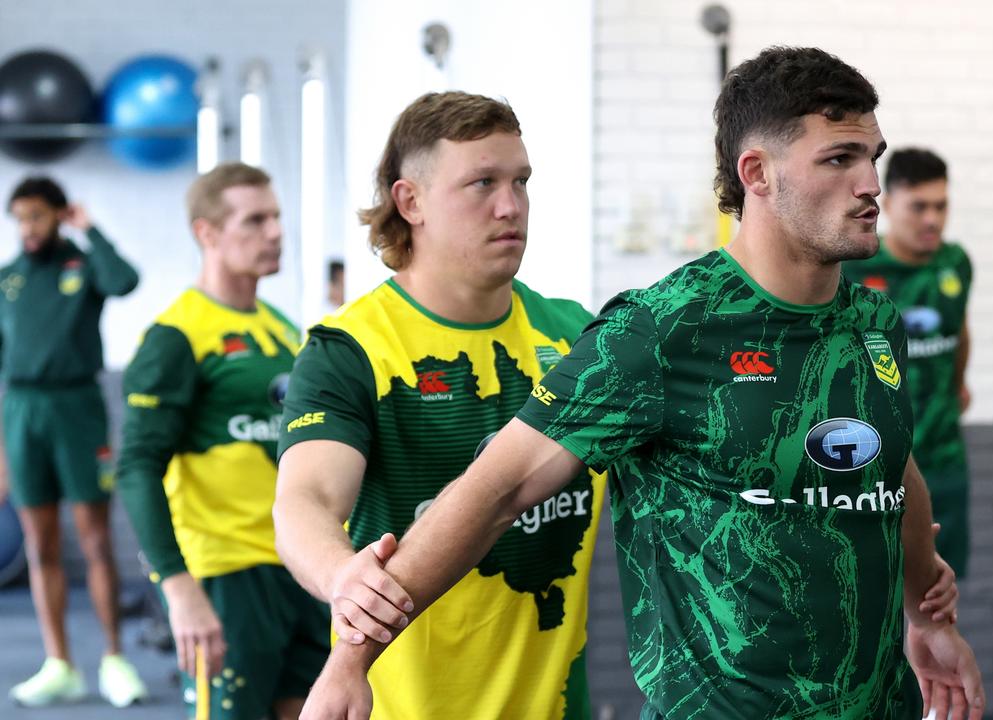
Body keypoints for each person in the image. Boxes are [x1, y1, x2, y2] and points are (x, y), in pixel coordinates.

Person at [298, 47, 983, 720]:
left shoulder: (872, 320)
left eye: (872, 156)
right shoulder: (662, 330)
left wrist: (927, 614)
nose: (869, 184)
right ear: (758, 174)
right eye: (839, 158)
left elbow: (887, 465)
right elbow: (497, 489)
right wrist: (352, 658)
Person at [273, 91, 608, 719]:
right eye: (482, 182)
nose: (511, 206)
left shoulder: (576, 337)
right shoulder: (351, 349)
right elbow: (304, 500)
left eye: (521, 181)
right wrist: (341, 578)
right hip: (401, 704)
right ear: (411, 201)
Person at [115, 163, 328, 720]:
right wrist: (177, 587)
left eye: (277, 217)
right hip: (227, 574)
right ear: (207, 233)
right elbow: (136, 466)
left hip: (298, 563)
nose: (275, 232)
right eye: (255, 220)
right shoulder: (176, 336)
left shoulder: (282, 328)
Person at [1, 177, 148, 708]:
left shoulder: (83, 266)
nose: (27, 228)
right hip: (21, 412)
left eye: (37, 216)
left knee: (95, 540)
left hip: (77, 409)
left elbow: (125, 280)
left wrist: (90, 230)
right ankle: (59, 663)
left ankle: (114, 659)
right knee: (39, 545)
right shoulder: (7, 279)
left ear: (58, 216)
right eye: (19, 218)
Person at [843, 148, 974, 580]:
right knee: (876, 587)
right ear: (889, 204)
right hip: (874, 467)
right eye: (919, 207)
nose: (932, 219)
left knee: (940, 591)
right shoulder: (853, 269)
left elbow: (960, 330)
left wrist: (958, 385)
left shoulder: (956, 264)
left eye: (941, 206)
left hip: (943, 453)